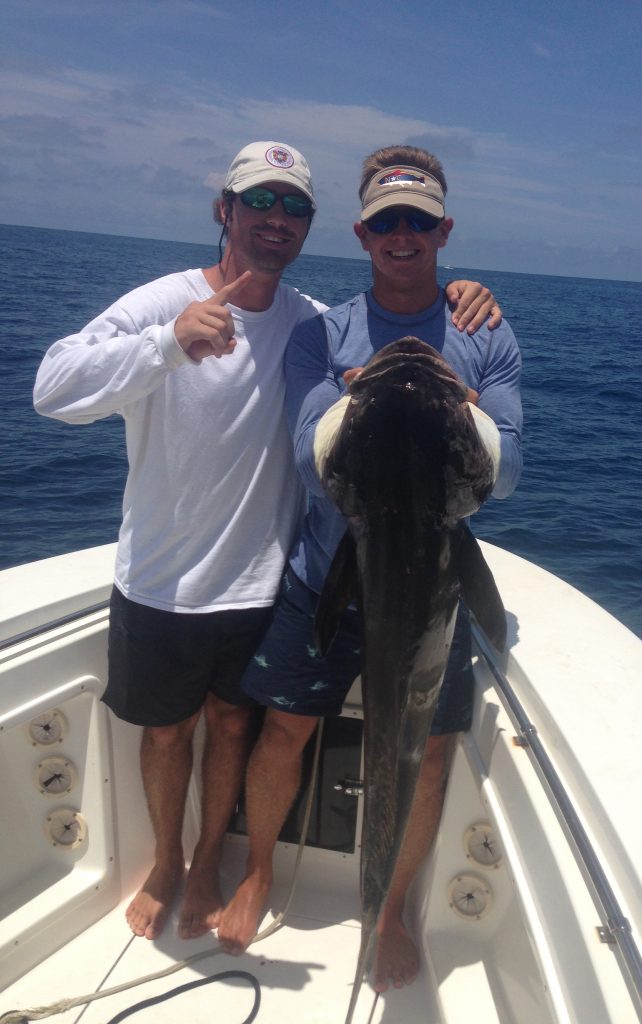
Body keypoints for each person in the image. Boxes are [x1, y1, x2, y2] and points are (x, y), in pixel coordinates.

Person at [32, 140, 503, 945]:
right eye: (261, 202)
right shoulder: (164, 303)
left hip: (259, 577)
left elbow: (397, 355)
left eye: (293, 208)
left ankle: (216, 856)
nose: (276, 219)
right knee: (167, 731)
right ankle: (170, 862)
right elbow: (51, 388)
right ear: (226, 209)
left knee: (236, 726)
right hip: (161, 576)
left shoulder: (314, 323)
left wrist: (459, 298)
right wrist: (169, 343)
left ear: (313, 226)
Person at [217, 145, 523, 995]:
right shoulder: (323, 331)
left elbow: (510, 469)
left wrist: (454, 413)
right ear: (361, 232)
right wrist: (373, 402)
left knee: (425, 750)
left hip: (434, 590)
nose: (402, 234)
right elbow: (313, 457)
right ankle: (257, 872)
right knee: (283, 727)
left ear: (443, 230)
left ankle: (386, 913)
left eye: (418, 221)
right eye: (386, 221)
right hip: (331, 571)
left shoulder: (486, 330)